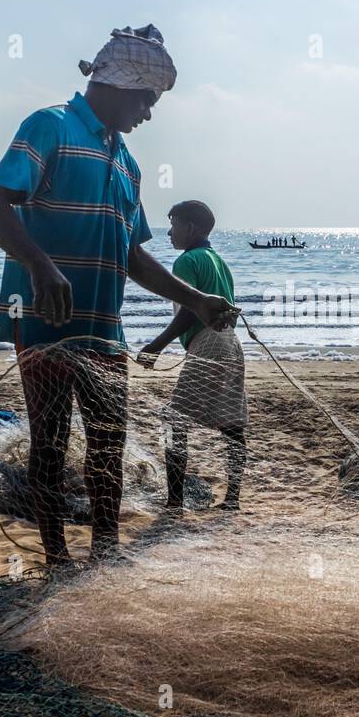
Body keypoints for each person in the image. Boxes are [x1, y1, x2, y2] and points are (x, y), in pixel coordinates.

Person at [0, 25, 237, 567]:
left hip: (104, 326)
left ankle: (105, 550)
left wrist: (197, 302)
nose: (148, 112)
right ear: (120, 84)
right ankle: (55, 558)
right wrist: (40, 266)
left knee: (107, 444)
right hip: (46, 322)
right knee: (49, 443)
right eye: (147, 99)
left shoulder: (127, 164)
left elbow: (133, 256)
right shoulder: (50, 126)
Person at [139, 200, 247, 511]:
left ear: (190, 228)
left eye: (173, 225)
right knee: (232, 424)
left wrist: (156, 346)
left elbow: (190, 310)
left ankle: (174, 502)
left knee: (173, 419)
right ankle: (233, 499)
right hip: (231, 343)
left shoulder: (187, 261)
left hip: (207, 343)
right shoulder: (218, 261)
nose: (169, 233)